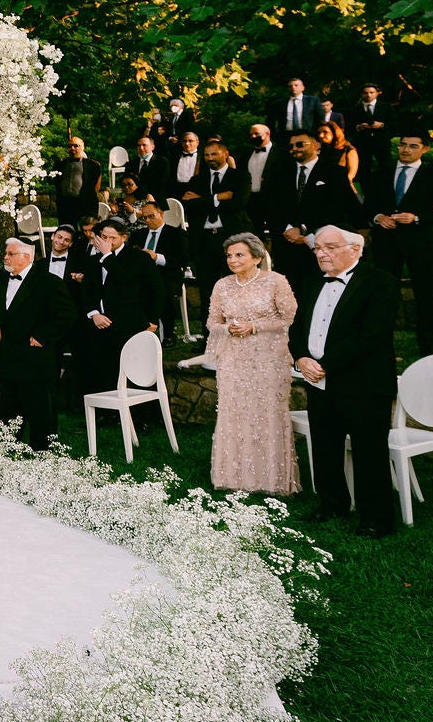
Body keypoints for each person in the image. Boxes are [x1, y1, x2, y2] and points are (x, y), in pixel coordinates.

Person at [291, 226, 399, 535]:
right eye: (318, 248)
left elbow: (370, 335)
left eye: (330, 247)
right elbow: (297, 327)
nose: (321, 253)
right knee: (325, 446)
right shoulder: (312, 282)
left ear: (356, 250)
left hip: (363, 383)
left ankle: (376, 518)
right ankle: (332, 503)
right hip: (319, 381)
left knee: (369, 450)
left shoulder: (380, 282)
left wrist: (324, 364)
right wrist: (301, 358)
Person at [202, 233, 299, 494]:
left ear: (257, 257)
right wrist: (227, 329)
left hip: (269, 358)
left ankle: (272, 479)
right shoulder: (222, 285)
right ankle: (233, 477)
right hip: (233, 359)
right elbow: (212, 322)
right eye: (229, 256)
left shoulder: (276, 281)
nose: (233, 260)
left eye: (239, 255)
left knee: (267, 413)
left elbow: (290, 319)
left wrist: (254, 326)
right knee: (234, 413)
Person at [366, 133, 433, 356]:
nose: (406, 150)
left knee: (425, 296)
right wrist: (378, 217)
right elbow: (367, 207)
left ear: (425, 149)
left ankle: (427, 347)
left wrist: (417, 218)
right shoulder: (382, 173)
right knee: (384, 295)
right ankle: (381, 344)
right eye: (403, 145)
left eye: (413, 146)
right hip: (387, 244)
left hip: (421, 245)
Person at [0, 237, 76, 450]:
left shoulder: (48, 282)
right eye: (6, 253)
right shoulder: (2, 279)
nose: (5, 257)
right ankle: (9, 445)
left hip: (34, 357)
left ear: (26, 257)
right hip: (8, 354)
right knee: (7, 405)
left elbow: (67, 313)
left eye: (11, 254)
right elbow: (2, 308)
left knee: (39, 407)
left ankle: (42, 449)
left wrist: (43, 337)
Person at [268, 131, 362, 301]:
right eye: (291, 146)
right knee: (289, 297)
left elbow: (337, 207)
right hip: (287, 245)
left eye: (300, 144)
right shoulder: (279, 172)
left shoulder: (335, 172)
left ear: (316, 145)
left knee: (318, 296)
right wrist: (288, 229)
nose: (294, 149)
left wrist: (304, 230)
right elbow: (271, 206)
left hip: (321, 245)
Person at [80, 219, 162, 396]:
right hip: (99, 323)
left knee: (134, 370)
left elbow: (130, 282)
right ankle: (106, 408)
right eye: (104, 237)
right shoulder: (92, 260)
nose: (107, 242)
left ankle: (141, 410)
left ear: (124, 237)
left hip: (129, 323)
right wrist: (94, 314)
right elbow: (85, 291)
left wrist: (153, 319)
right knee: (102, 370)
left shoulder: (138, 258)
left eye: (112, 238)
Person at [181, 139, 250, 306]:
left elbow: (238, 204)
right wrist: (218, 197)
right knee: (207, 291)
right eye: (206, 155)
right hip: (203, 240)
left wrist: (202, 200)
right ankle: (209, 323)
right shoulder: (197, 180)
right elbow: (189, 205)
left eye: (214, 154)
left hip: (232, 238)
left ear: (225, 154)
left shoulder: (240, 176)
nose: (210, 158)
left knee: (235, 287)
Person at [130, 199, 186, 341]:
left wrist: (156, 257)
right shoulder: (138, 235)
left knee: (161, 290)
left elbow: (182, 259)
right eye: (144, 218)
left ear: (161, 213)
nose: (148, 220)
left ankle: (168, 334)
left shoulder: (175, 233)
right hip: (141, 275)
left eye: (151, 216)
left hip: (166, 274)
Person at [55, 136, 105, 225]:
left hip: (85, 204)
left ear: (83, 147)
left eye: (76, 146)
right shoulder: (60, 165)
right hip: (66, 204)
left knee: (87, 229)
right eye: (69, 146)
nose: (72, 148)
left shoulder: (93, 165)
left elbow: (96, 186)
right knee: (67, 229)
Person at [349, 85, 393, 180]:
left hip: (382, 142)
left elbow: (395, 123)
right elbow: (348, 127)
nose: (368, 95)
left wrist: (381, 125)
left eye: (371, 92)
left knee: (386, 167)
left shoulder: (386, 107)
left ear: (377, 93)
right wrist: (358, 127)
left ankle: (386, 186)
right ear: (361, 94)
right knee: (364, 169)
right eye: (365, 93)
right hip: (363, 143)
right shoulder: (354, 109)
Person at [270, 75, 325, 139]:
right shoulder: (279, 103)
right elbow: (271, 121)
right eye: (290, 86)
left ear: (303, 88)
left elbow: (320, 119)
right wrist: (275, 136)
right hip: (286, 136)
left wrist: (317, 134)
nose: (293, 87)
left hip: (308, 135)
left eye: (296, 85)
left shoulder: (313, 101)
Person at [315, 120, 360, 189]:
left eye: (325, 132)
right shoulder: (320, 150)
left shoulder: (349, 150)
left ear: (334, 133)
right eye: (319, 133)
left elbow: (351, 175)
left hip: (342, 187)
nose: (321, 135)